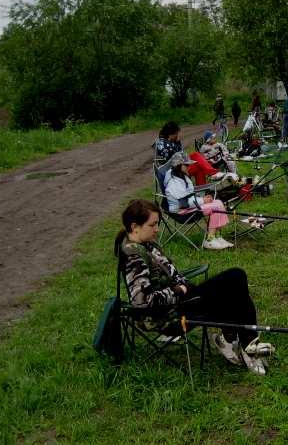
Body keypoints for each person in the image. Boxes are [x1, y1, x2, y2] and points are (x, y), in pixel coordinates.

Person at [114, 199, 273, 374]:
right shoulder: (133, 256)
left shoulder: (145, 243)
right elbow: (142, 302)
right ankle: (246, 345)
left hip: (179, 301)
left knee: (236, 283)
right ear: (135, 226)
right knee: (235, 283)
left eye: (157, 224)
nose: (157, 229)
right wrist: (179, 290)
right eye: (152, 225)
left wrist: (182, 284)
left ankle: (239, 341)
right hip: (165, 316)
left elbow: (170, 273)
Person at [162, 152, 232, 250]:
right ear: (178, 166)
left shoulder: (182, 177)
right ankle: (210, 240)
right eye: (186, 165)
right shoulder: (174, 182)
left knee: (218, 202)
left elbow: (189, 196)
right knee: (215, 207)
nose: (189, 167)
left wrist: (203, 199)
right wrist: (202, 200)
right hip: (181, 211)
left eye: (189, 164)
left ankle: (218, 236)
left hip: (190, 206)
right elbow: (183, 203)